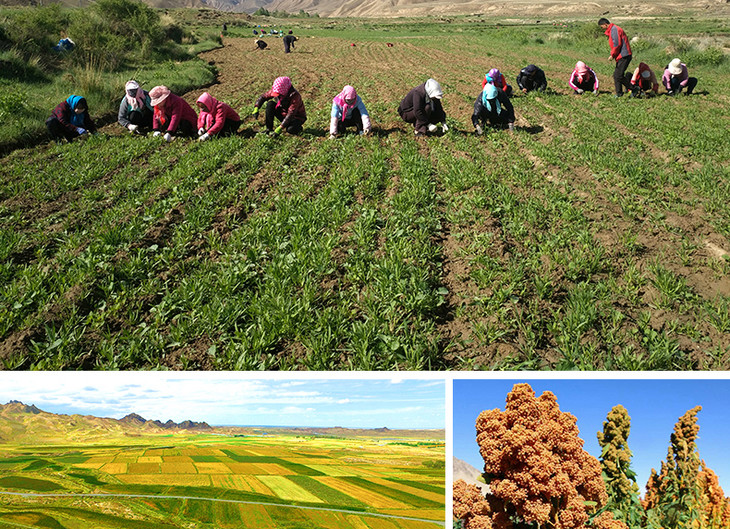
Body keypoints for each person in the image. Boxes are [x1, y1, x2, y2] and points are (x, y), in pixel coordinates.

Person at [598, 18, 632, 97]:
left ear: (605, 24)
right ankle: (619, 93)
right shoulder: (613, 29)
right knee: (617, 75)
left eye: (601, 26)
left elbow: (617, 44)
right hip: (620, 56)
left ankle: (633, 88)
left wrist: (612, 55)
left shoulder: (614, 30)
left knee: (618, 75)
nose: (602, 28)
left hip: (624, 55)